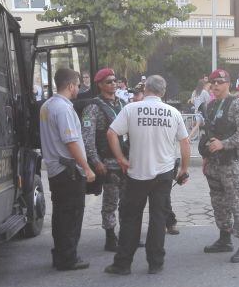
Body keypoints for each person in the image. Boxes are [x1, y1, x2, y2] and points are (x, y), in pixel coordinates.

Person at [103, 75, 190, 275]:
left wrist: (120, 159)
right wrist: (184, 169)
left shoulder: (131, 109)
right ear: (163, 91)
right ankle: (155, 262)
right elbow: (185, 142)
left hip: (136, 173)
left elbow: (111, 133)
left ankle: (123, 263)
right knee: (158, 218)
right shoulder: (173, 112)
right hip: (163, 174)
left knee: (131, 218)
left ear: (146, 88)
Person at [39, 67, 96, 271]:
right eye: (78, 86)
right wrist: (87, 168)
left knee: (60, 215)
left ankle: (61, 254)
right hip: (68, 171)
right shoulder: (63, 109)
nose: (78, 90)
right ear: (71, 85)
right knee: (71, 216)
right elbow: (71, 142)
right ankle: (68, 257)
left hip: (57, 170)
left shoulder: (47, 105)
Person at [199, 69, 239, 263]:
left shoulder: (237, 104)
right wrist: (206, 154)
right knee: (219, 203)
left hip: (232, 164)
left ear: (228, 84)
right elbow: (208, 132)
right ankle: (225, 239)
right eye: (213, 82)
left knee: (237, 203)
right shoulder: (211, 105)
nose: (215, 86)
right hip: (214, 164)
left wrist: (223, 144)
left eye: (220, 82)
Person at [81, 67, 128, 252]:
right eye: (108, 81)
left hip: (126, 160)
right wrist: (95, 161)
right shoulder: (93, 107)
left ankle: (126, 235)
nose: (113, 84)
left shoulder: (123, 104)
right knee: (110, 202)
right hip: (107, 162)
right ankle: (110, 237)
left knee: (128, 201)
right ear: (99, 85)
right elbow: (87, 137)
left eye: (115, 80)